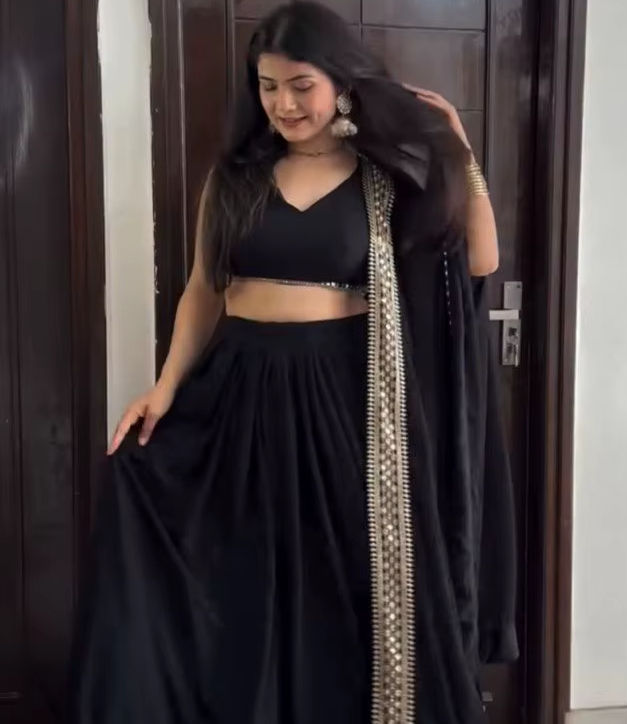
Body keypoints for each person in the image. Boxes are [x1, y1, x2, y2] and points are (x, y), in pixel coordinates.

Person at [69, 2, 518, 723]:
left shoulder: (383, 181)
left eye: (301, 85)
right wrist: (165, 387)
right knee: (230, 567)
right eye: (268, 86)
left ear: (340, 81)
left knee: (342, 586)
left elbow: (478, 263)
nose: (283, 104)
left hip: (347, 401)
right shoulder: (235, 177)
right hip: (236, 393)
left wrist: (460, 154)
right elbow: (203, 290)